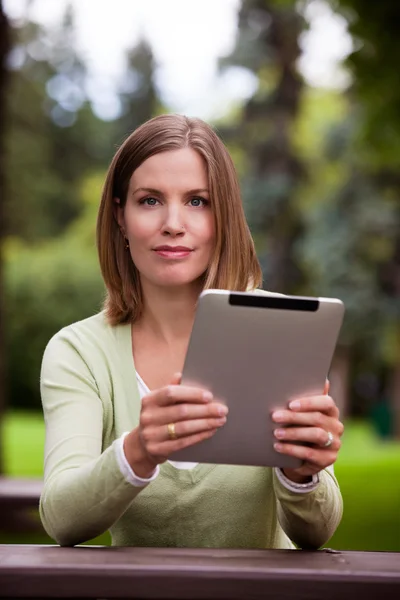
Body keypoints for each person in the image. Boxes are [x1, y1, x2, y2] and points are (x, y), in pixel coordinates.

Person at [39, 114, 344, 549]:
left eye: (198, 201)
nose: (173, 223)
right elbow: (62, 519)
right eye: (149, 200)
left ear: (224, 217)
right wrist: (140, 449)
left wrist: (301, 472)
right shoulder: (80, 352)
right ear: (120, 217)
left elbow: (316, 534)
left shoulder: (279, 329)